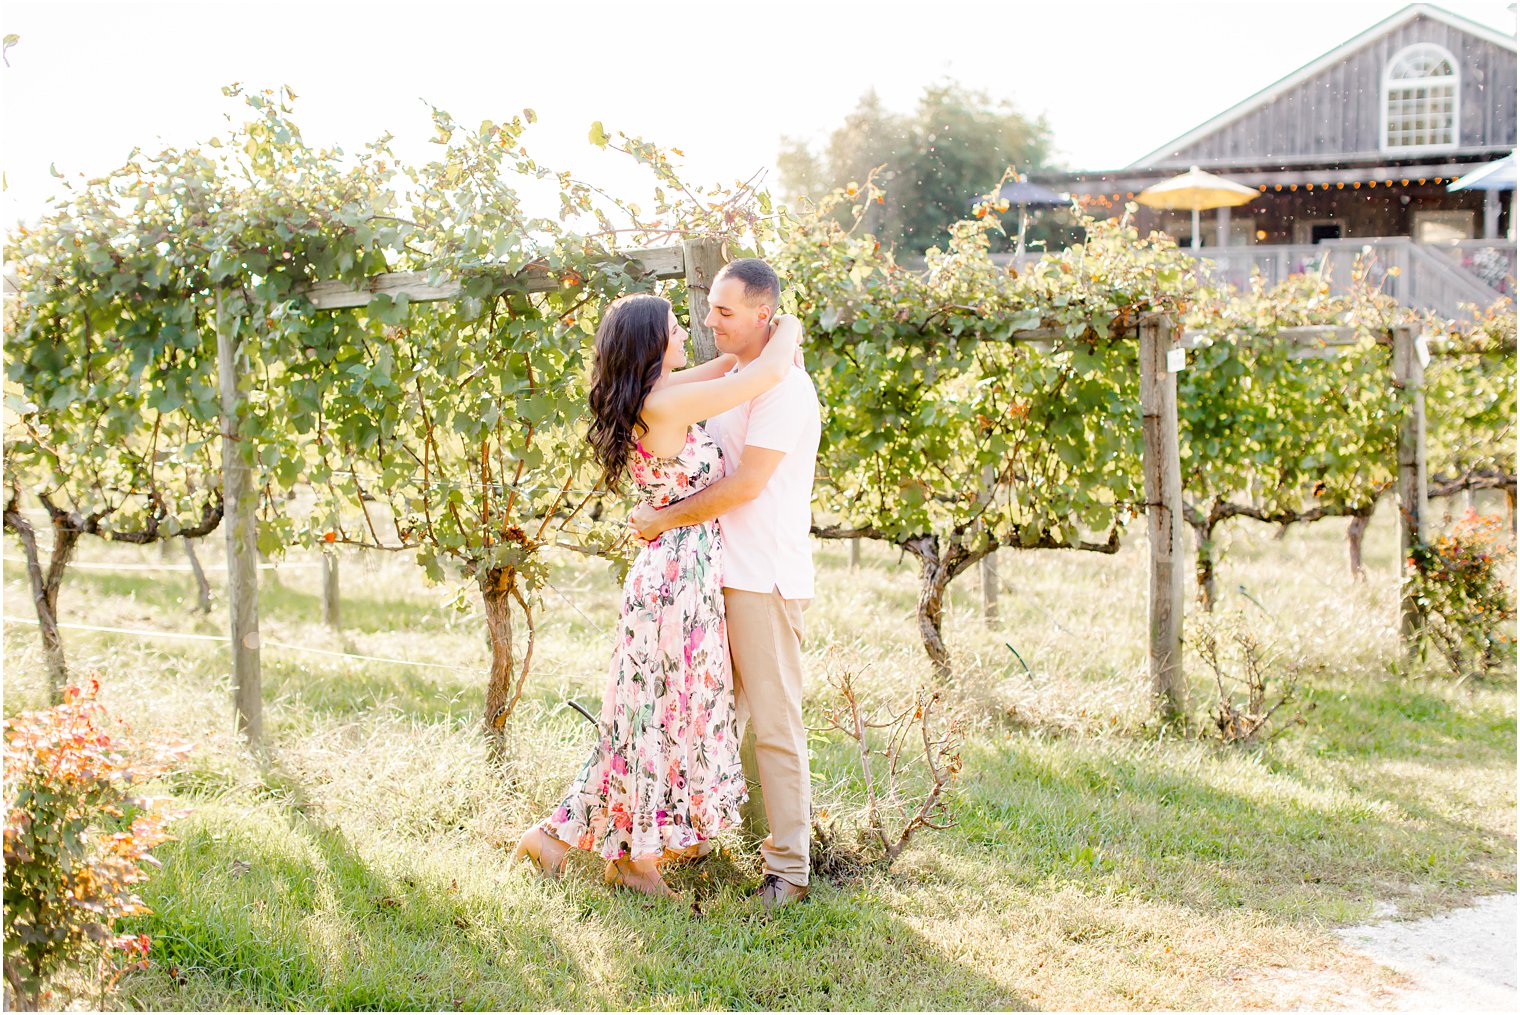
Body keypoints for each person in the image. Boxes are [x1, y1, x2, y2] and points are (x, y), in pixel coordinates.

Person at [512, 292, 803, 897]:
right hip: (676, 577)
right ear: (653, 342)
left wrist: (749, 334)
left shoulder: (659, 391)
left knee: (652, 718)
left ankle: (590, 847)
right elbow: (766, 373)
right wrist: (789, 319)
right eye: (675, 326)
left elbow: (729, 368)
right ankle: (608, 852)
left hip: (675, 571)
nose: (688, 330)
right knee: (654, 721)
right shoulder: (667, 401)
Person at [629, 258, 822, 910]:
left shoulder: (783, 389)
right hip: (716, 574)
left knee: (773, 723)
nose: (710, 321)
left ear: (763, 315)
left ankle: (789, 872)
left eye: (725, 311)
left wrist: (660, 518)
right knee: (711, 718)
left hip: (760, 577)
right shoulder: (737, 377)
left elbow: (743, 486)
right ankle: (702, 837)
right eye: (708, 308)